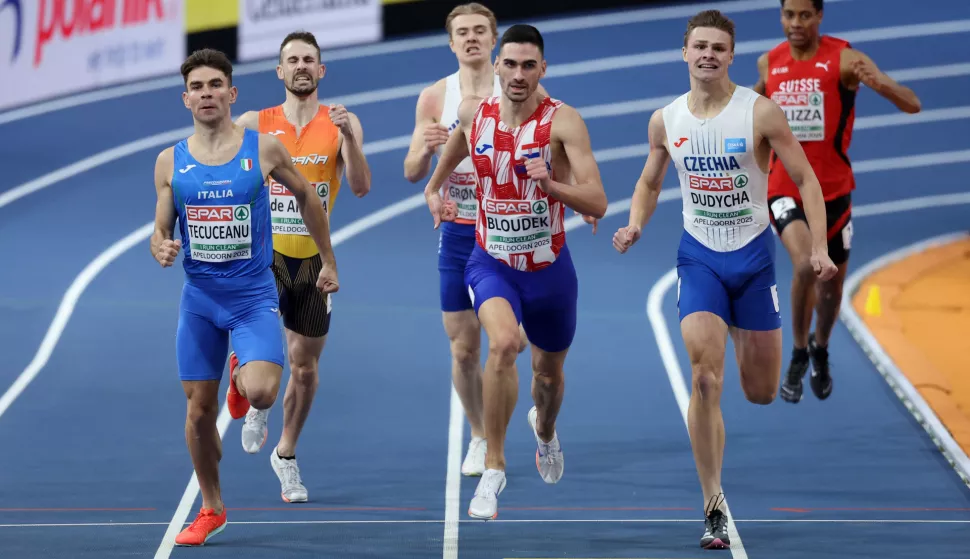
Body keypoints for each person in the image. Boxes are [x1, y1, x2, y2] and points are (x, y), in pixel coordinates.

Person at [612, 10, 836, 549]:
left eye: (718, 47)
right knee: (704, 379)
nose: (708, 54)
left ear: (732, 55)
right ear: (683, 53)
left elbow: (805, 178)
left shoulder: (759, 113)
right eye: (700, 46)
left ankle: (741, 327)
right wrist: (635, 223)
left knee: (759, 392)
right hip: (700, 259)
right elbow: (648, 180)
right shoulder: (665, 120)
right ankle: (713, 502)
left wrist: (820, 248)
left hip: (754, 259)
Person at [150, 48, 339, 546]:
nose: (207, 94)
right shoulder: (171, 161)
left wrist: (328, 261)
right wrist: (161, 245)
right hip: (199, 301)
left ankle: (241, 370)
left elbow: (306, 197)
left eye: (216, 85)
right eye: (198, 87)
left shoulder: (267, 149)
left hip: (253, 297)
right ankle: (212, 508)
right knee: (197, 413)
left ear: (231, 94)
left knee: (261, 393)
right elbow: (160, 227)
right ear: (185, 98)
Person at [425, 23, 607, 519]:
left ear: (542, 69)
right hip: (491, 262)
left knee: (548, 378)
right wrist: (436, 186)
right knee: (503, 344)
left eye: (530, 65)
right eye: (511, 64)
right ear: (497, 66)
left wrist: (554, 187)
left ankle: (544, 432)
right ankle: (494, 468)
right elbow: (460, 142)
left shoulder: (564, 123)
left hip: (549, 270)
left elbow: (599, 199)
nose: (519, 74)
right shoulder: (474, 112)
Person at [752, 0, 921, 403]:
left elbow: (912, 103)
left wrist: (879, 84)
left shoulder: (845, 60)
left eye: (804, 15)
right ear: (781, 17)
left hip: (834, 192)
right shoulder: (768, 63)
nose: (796, 24)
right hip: (786, 186)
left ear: (819, 16)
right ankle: (796, 352)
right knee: (806, 265)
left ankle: (820, 348)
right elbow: (751, 112)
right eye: (789, 15)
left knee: (831, 289)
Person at [403, 3, 543, 477]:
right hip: (460, 234)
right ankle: (480, 436)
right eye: (462, 32)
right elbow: (410, 172)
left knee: (515, 341)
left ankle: (516, 415)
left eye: (480, 31)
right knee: (463, 348)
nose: (471, 39)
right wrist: (425, 150)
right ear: (450, 42)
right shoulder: (434, 97)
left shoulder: (524, 89)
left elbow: (552, 152)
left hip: (511, 232)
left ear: (494, 38)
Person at [234, 30, 371, 503]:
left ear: (321, 69)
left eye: (309, 59)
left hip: (314, 260)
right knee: (271, 355)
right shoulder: (255, 123)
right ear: (279, 71)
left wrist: (350, 139)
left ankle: (286, 455)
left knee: (305, 368)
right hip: (264, 259)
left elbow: (360, 187)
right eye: (292, 59)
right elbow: (224, 169)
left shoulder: (340, 121)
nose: (301, 66)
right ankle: (255, 398)